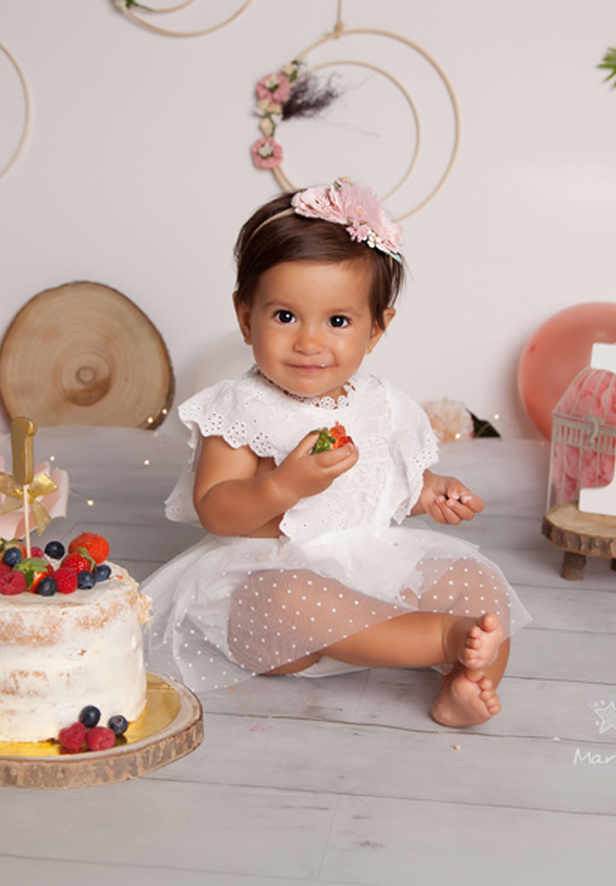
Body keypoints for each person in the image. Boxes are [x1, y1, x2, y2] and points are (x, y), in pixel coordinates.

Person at [143, 178, 530, 727]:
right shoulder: (240, 407)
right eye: (284, 316)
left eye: (338, 321)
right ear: (245, 316)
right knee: (282, 598)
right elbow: (216, 509)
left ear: (377, 329)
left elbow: (379, 484)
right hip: (276, 600)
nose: (309, 342)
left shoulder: (381, 403)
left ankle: (465, 686)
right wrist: (282, 486)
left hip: (367, 580)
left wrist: (427, 492)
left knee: (479, 583)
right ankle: (443, 639)